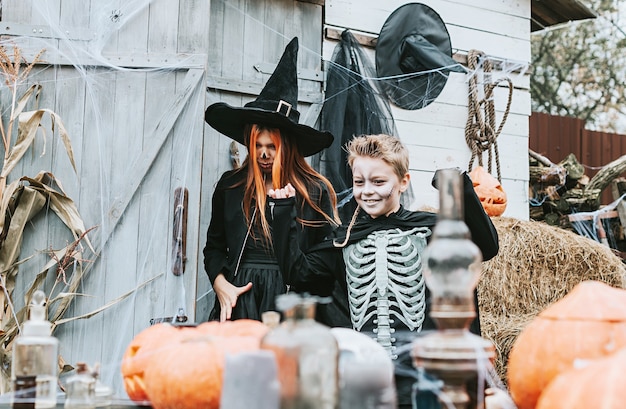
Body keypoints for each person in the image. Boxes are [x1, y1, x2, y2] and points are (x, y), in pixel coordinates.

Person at [268, 133, 499, 407]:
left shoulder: (429, 230)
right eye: (359, 182)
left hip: (422, 377)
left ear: (403, 182)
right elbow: (299, 274)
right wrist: (283, 214)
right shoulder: (343, 239)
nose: (367, 191)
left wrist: (456, 186)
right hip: (362, 379)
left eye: (379, 182)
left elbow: (486, 246)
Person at [203, 37, 340, 322]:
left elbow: (323, 264)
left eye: (272, 147)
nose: (264, 154)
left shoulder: (314, 191)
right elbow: (214, 247)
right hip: (240, 299)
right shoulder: (231, 186)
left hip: (292, 301)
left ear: (286, 147)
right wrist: (221, 285)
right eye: (257, 146)